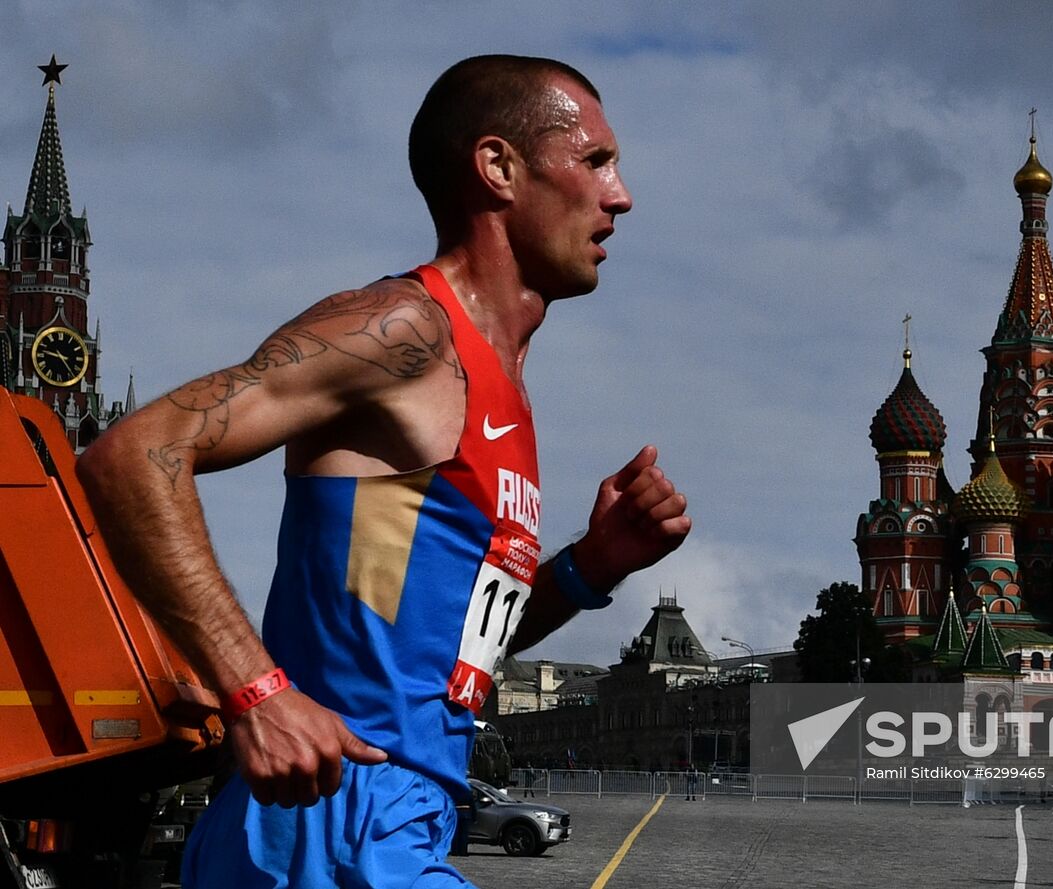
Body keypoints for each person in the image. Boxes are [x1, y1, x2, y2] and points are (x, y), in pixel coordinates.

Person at [77, 54, 690, 888]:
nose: (620, 196)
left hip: (404, 816)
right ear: (498, 167)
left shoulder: (499, 383)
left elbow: (447, 656)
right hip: (329, 819)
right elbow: (134, 453)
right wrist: (257, 691)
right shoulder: (406, 333)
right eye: (594, 161)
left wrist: (592, 566)